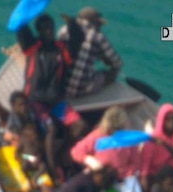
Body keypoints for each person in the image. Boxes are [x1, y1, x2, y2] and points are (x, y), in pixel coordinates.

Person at [17, 14, 85, 181]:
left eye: (51, 28)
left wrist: (72, 24)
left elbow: (78, 40)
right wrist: (28, 10)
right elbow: (20, 27)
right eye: (45, 28)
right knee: (50, 129)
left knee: (80, 125)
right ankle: (52, 168)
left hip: (55, 102)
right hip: (35, 101)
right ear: (39, 31)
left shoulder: (61, 49)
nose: (49, 31)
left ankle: (63, 154)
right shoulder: (32, 47)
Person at [57, 7, 123, 99]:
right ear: (95, 22)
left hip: (60, 86)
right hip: (81, 89)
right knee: (111, 74)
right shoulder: (98, 36)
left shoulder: (63, 30)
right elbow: (117, 63)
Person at [70, 106, 140, 179]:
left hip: (121, 179)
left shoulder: (129, 140)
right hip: (99, 177)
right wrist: (89, 160)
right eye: (111, 130)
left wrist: (122, 173)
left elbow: (136, 163)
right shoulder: (97, 135)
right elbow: (76, 151)